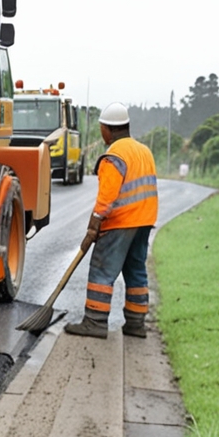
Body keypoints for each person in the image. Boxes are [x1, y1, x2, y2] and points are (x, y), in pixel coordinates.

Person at [66, 102, 158, 339]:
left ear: (108, 129)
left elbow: (106, 199)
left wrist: (94, 225)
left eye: (101, 129)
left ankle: (95, 322)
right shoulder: (143, 151)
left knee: (101, 270)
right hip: (144, 220)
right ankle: (136, 324)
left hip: (120, 222)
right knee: (136, 269)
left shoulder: (114, 156)